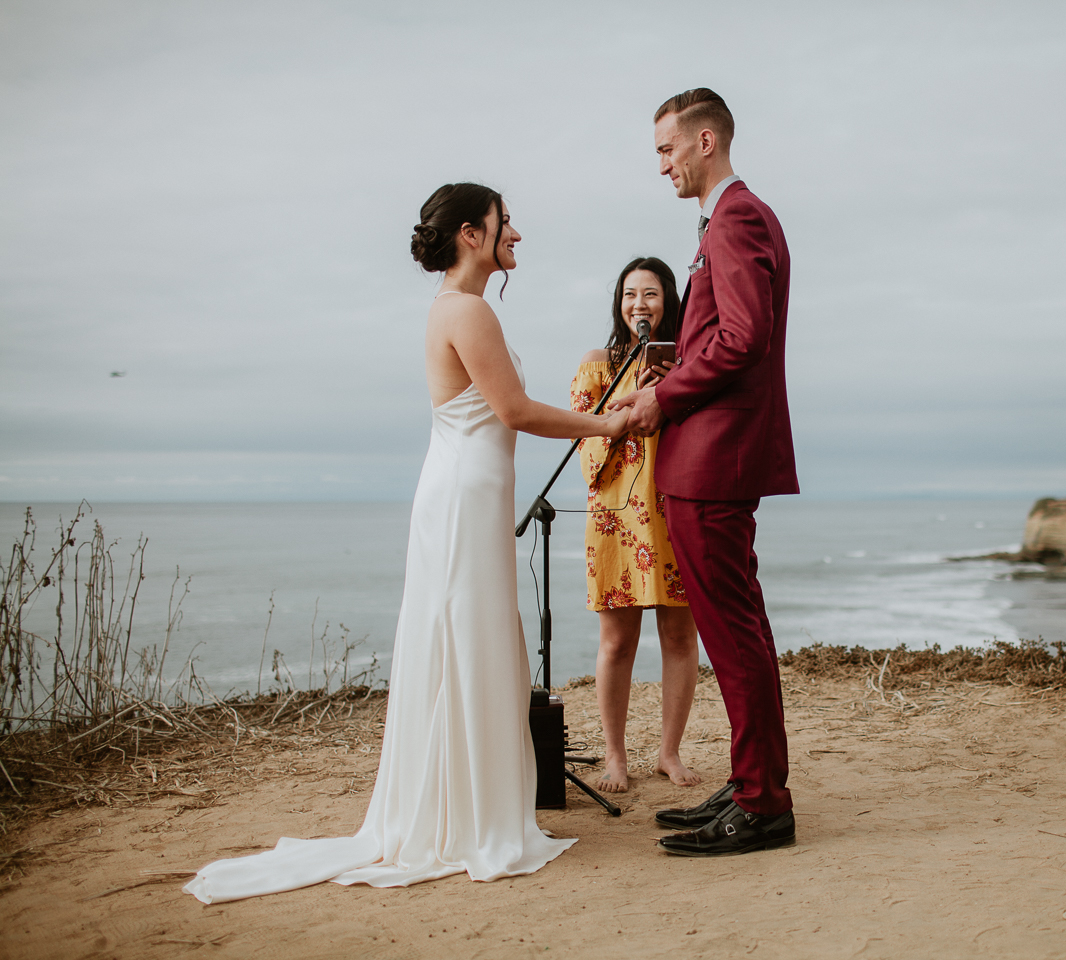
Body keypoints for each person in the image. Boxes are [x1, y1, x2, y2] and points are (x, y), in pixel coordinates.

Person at [184, 183, 629, 904]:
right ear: (470, 235)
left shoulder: (457, 308)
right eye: (504, 221)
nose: (516, 232)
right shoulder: (467, 310)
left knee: (471, 641)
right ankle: (470, 816)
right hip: (462, 498)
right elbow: (513, 410)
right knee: (467, 639)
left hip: (470, 493)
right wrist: (607, 427)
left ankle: (470, 805)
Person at [612, 89, 800, 857]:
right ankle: (752, 782)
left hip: (713, 459)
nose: (661, 165)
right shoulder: (727, 220)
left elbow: (744, 338)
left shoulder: (737, 217)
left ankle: (762, 804)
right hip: (711, 457)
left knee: (735, 636)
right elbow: (723, 333)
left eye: (667, 149)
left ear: (706, 140)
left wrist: (662, 392)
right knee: (737, 630)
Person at [570, 257, 702, 794]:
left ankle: (669, 753)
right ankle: (615, 755)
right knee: (616, 643)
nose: (639, 305)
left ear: (668, 301)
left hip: (675, 511)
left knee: (679, 636)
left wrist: (672, 392)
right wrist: (631, 404)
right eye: (629, 294)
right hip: (617, 519)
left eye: (650, 294)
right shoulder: (597, 365)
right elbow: (586, 455)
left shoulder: (689, 365)